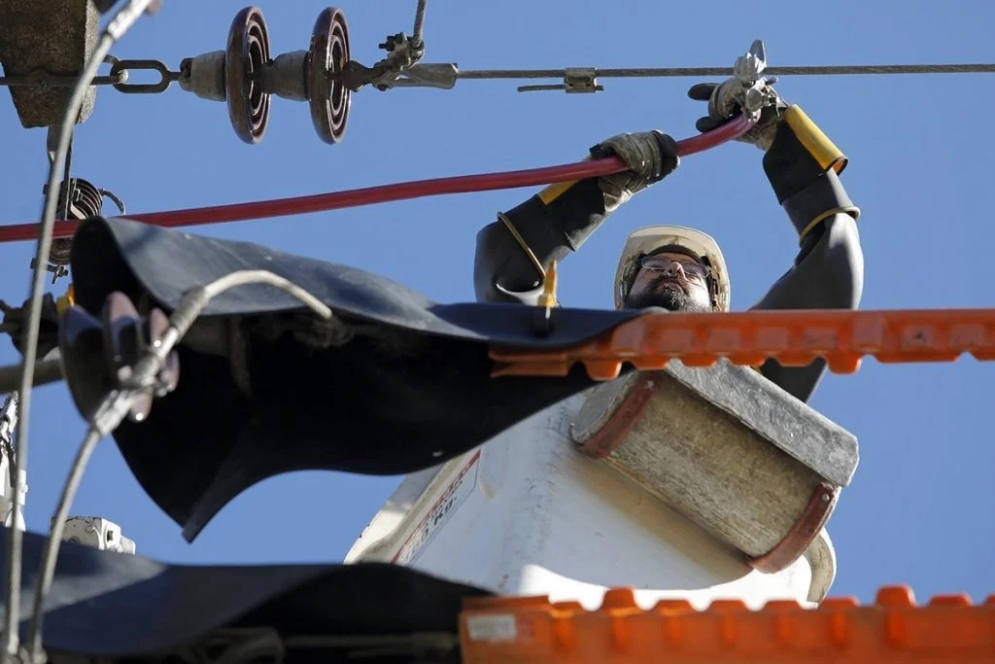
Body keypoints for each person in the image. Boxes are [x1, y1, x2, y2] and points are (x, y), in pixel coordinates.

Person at [473, 76, 864, 404]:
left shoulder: (754, 378)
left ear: (717, 310)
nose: (674, 267)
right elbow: (505, 263)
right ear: (622, 299)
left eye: (693, 271)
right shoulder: (566, 355)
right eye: (654, 266)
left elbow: (832, 265)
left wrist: (782, 135)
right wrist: (595, 188)